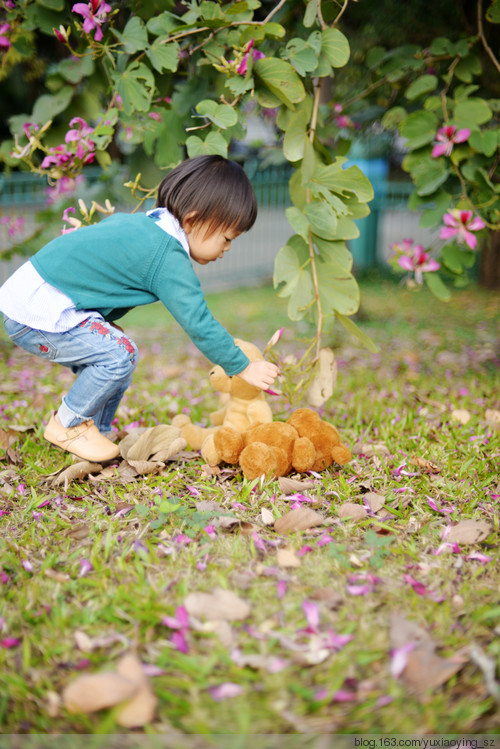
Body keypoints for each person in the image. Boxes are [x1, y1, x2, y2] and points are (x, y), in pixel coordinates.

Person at [0, 155, 279, 463]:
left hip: (36, 298)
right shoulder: (167, 255)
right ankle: (68, 424)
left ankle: (97, 430)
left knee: (121, 353)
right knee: (118, 354)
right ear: (193, 220)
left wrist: (101, 320)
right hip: (39, 309)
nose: (227, 249)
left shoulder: (147, 226)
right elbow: (198, 321)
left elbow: (101, 268)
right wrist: (242, 366)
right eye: (226, 238)